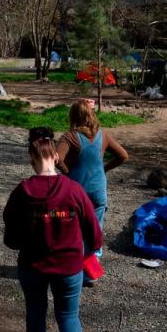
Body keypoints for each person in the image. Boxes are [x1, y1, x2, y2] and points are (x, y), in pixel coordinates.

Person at [4, 127, 103, 332]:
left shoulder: (22, 191)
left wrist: (17, 242)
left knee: (36, 312)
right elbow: (94, 233)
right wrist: (90, 249)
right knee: (69, 315)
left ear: (30, 158)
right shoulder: (74, 190)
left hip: (33, 266)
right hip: (69, 266)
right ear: (56, 159)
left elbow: (10, 232)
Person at [56, 99, 128, 285]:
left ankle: (73, 272)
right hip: (98, 191)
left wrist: (68, 172)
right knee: (94, 230)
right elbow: (123, 155)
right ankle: (90, 273)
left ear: (73, 116)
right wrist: (104, 168)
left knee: (75, 231)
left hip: (77, 192)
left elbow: (57, 159)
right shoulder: (103, 136)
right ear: (91, 115)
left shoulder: (69, 137)